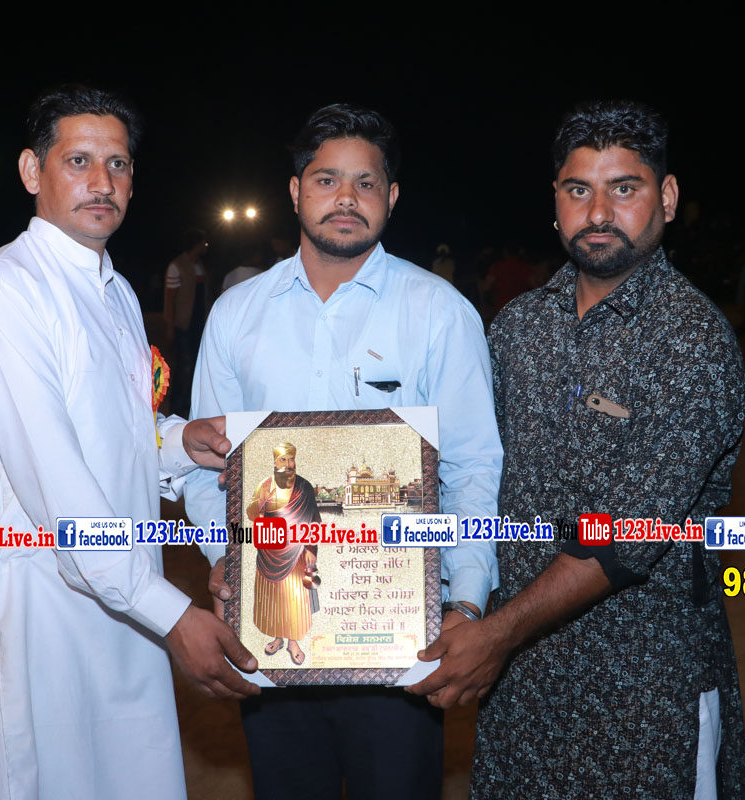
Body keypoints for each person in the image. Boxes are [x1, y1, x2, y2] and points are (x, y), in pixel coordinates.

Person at [409, 100, 745, 799]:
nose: (598, 212)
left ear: (668, 197)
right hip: (522, 690)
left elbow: (624, 538)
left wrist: (494, 635)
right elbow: (465, 471)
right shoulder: (517, 328)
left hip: (644, 692)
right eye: (578, 190)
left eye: (624, 188)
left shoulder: (692, 342)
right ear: (556, 203)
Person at [0, 84, 259, 800]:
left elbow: (113, 434)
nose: (102, 182)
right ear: (32, 171)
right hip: (35, 598)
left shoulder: (114, 292)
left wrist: (181, 442)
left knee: (129, 776)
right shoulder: (4, 289)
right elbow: (53, 474)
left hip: (122, 589)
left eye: (118, 165)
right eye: (78, 161)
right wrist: (171, 613)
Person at [186, 103, 503, 800]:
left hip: (398, 630)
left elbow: (474, 466)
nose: (346, 198)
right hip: (275, 626)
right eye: (327, 179)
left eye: (366, 183)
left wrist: (468, 600)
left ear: (392, 196)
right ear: (295, 191)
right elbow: (209, 465)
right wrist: (222, 558)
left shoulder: (439, 311)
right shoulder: (237, 316)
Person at [247, 442, 322, 664]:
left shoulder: (304, 487)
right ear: (275, 462)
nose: (288, 464)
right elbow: (252, 515)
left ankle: (292, 642)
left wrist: (311, 549)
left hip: (297, 550)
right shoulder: (265, 485)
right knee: (274, 598)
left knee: (293, 597)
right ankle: (278, 638)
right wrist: (260, 502)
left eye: (291, 459)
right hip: (270, 548)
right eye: (283, 459)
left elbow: (314, 520)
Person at [164, 228, 211, 412]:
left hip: (198, 323)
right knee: (184, 366)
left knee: (195, 367)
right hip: (183, 325)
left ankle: (190, 406)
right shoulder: (177, 266)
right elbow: (170, 299)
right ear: (196, 245)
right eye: (203, 243)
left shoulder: (199, 265)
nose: (206, 246)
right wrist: (170, 326)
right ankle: (177, 408)